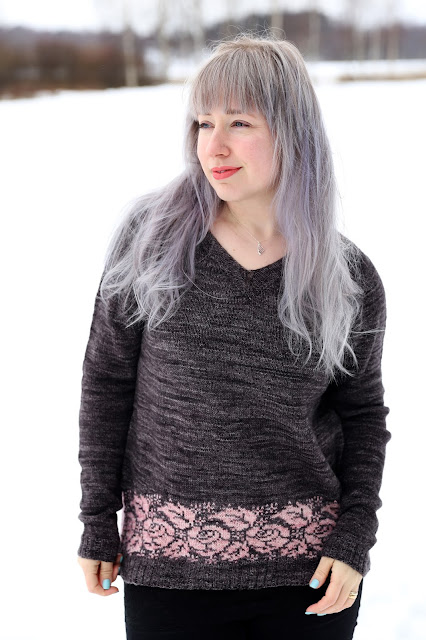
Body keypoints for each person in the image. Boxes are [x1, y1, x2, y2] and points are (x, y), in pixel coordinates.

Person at [77, 32, 391, 639]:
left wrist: (354, 538)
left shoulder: (347, 277)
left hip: (308, 574)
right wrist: (96, 519)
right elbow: (107, 383)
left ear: (291, 132)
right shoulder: (151, 247)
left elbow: (362, 415)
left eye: (239, 122)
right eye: (203, 123)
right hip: (169, 574)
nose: (213, 146)